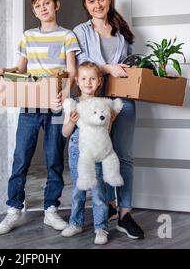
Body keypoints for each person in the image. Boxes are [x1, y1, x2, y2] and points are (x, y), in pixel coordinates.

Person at [0, 0, 80, 235]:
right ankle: (13, 210)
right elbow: (21, 70)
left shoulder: (67, 36)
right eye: (38, 5)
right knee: (21, 157)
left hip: (55, 106)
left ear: (57, 5)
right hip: (30, 106)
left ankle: (51, 210)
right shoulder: (28, 36)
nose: (43, 8)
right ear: (34, 10)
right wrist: (5, 72)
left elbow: (72, 71)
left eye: (47, 3)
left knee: (54, 158)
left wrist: (66, 89)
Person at [73, 0, 145, 239]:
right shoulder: (80, 31)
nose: (97, 4)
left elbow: (130, 64)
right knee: (97, 154)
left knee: (123, 156)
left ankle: (124, 214)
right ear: (86, 5)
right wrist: (106, 69)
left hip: (123, 100)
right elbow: (81, 67)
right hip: (95, 103)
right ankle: (108, 210)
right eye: (91, 1)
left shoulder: (121, 31)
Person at [61, 61, 118, 245]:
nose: (88, 82)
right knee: (78, 191)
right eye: (84, 78)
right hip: (78, 153)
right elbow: (65, 132)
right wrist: (70, 121)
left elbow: (105, 134)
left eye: (92, 79)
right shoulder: (72, 104)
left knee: (98, 192)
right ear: (77, 81)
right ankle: (75, 223)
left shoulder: (103, 105)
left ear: (99, 82)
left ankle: (101, 228)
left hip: (98, 152)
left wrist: (110, 121)